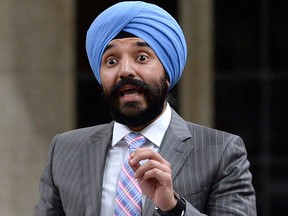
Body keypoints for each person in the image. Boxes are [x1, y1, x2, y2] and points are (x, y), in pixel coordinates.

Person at [35, 1, 256, 216]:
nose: (125, 71)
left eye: (141, 58)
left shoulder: (221, 151)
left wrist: (173, 207)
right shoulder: (65, 150)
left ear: (167, 74)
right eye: (111, 61)